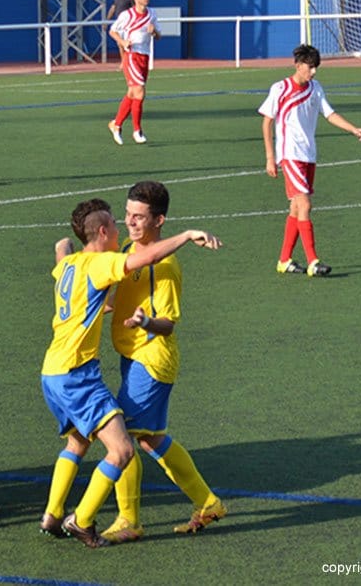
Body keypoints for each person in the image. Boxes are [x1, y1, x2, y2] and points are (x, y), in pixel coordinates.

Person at [39, 199, 221, 548]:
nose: (125, 226)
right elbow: (147, 257)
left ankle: (55, 513)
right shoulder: (103, 262)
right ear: (104, 231)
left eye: (136, 217)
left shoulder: (69, 265)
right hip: (78, 373)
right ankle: (93, 520)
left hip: (54, 371)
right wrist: (187, 234)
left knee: (86, 440)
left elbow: (62, 246)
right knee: (125, 445)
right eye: (118, 222)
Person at [100, 181, 227, 544]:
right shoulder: (127, 248)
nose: (130, 223)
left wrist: (145, 323)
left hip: (152, 360)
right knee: (152, 440)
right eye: (127, 215)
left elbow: (167, 324)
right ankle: (209, 503)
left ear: (159, 220)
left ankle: (129, 520)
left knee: (120, 438)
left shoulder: (166, 266)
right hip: (131, 355)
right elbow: (116, 297)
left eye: (139, 217)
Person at [260, 44, 361, 277]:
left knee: (297, 207)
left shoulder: (315, 88)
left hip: (309, 155)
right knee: (305, 205)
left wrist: (352, 129)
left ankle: (284, 260)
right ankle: (313, 261)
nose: (314, 72)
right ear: (298, 65)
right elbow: (266, 122)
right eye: (310, 67)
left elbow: (330, 114)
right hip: (290, 155)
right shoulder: (280, 88)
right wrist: (270, 157)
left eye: (316, 67)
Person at [107, 0, 159, 146]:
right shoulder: (127, 15)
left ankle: (116, 124)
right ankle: (137, 130)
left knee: (132, 93)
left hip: (144, 57)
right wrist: (122, 42)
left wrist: (154, 32)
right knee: (140, 91)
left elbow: (158, 36)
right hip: (131, 56)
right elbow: (112, 31)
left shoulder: (152, 14)